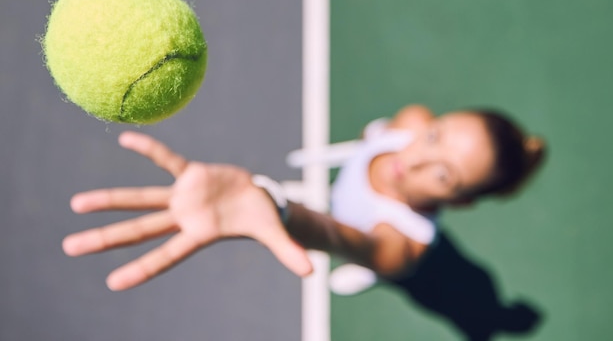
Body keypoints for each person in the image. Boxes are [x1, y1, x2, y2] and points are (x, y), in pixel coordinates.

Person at [62, 104, 546, 292]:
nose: (416, 159)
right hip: (351, 199)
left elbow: (329, 232)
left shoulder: (401, 244)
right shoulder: (411, 123)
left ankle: (362, 270)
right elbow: (390, 131)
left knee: (359, 253)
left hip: (363, 240)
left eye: (443, 175)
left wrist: (273, 205)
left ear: (458, 203)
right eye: (437, 135)